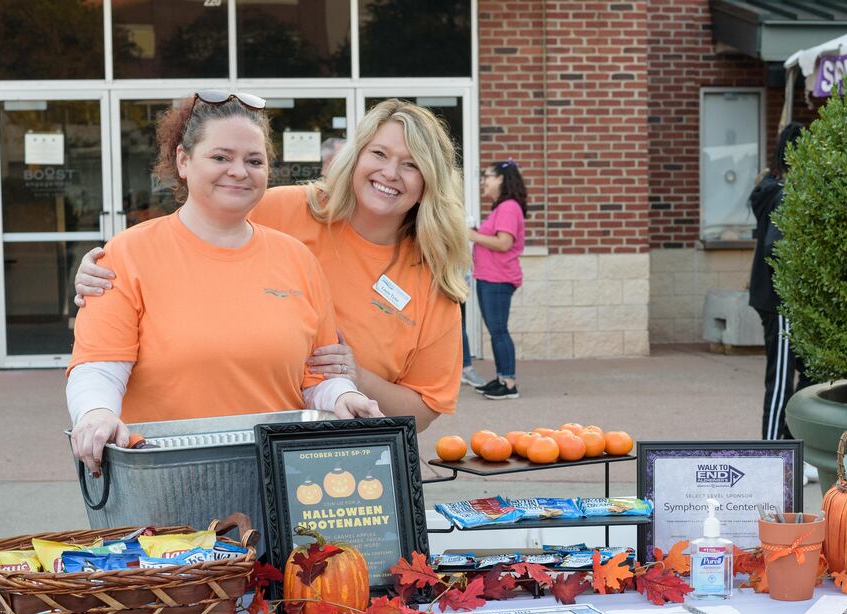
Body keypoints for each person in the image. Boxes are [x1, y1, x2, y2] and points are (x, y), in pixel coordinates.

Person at [76, 100, 469, 431]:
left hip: (328, 454)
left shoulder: (432, 277)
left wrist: (355, 379)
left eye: (411, 164)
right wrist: (107, 271)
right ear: (357, 156)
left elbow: (422, 411)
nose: (389, 173)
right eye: (379, 154)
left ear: (429, 181)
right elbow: (194, 229)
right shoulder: (288, 210)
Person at [67, 92, 380, 473]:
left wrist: (343, 396)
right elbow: (99, 367)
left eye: (254, 161)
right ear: (183, 160)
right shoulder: (127, 254)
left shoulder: (297, 259)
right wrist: (96, 413)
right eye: (220, 157)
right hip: (165, 475)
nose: (238, 171)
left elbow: (316, 377)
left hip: (279, 477)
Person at [749, 122, 814, 447]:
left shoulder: (771, 188)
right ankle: (773, 452)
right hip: (781, 301)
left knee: (811, 371)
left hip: (777, 299)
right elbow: (775, 246)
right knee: (780, 380)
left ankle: (790, 442)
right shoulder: (785, 196)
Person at [466, 160, 528, 400]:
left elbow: (504, 243)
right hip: (489, 277)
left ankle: (509, 383)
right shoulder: (501, 207)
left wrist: (472, 235)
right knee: (496, 330)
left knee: (499, 330)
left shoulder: (509, 207)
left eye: (487, 177)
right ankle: (502, 377)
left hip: (499, 279)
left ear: (501, 179)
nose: (484, 181)